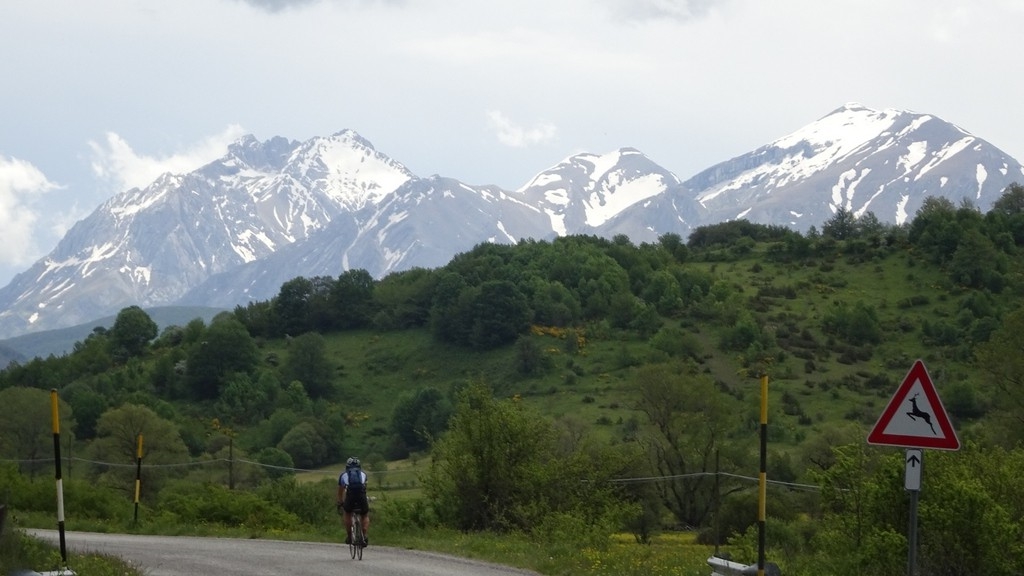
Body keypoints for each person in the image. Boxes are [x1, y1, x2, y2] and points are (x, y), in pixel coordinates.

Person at [337, 456, 370, 546]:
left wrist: (340, 502)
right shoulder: (364, 474)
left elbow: (341, 491)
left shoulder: (343, 475)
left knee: (347, 513)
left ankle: (350, 537)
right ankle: (364, 536)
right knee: (365, 515)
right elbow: (365, 488)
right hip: (361, 496)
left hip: (350, 496)